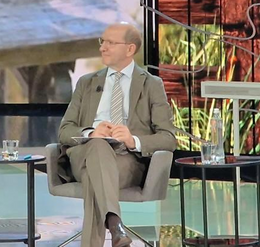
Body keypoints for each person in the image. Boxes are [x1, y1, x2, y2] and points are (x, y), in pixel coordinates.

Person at [57, 22, 177, 247]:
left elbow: (168, 138)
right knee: (98, 146)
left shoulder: (151, 85)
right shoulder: (86, 83)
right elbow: (64, 130)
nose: (103, 47)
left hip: (127, 161)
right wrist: (91, 132)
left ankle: (114, 224)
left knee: (98, 177)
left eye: (110, 43)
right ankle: (115, 224)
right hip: (83, 154)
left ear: (130, 49)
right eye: (102, 42)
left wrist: (134, 140)